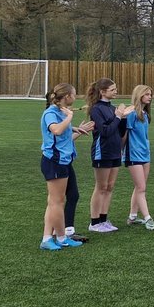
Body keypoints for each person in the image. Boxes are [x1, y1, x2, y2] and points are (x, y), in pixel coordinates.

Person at [39, 83, 94, 250]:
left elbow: (63, 138)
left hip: (64, 161)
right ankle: (61, 238)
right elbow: (56, 130)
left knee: (55, 201)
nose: (75, 97)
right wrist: (69, 117)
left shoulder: (60, 112)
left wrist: (77, 130)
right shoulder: (51, 113)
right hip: (55, 162)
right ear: (67, 96)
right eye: (74, 94)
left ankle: (48, 238)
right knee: (57, 202)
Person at [86, 78, 130, 232]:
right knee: (101, 186)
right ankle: (94, 222)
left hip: (115, 151)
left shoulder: (112, 108)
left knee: (110, 186)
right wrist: (117, 117)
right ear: (102, 92)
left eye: (115, 89)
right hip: (102, 151)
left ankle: (104, 220)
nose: (116, 91)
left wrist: (123, 118)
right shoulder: (96, 109)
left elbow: (120, 131)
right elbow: (105, 131)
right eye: (112, 90)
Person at [123, 85, 154, 230]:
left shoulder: (145, 114)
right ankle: (148, 218)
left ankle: (133, 216)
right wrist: (120, 151)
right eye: (147, 94)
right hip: (133, 154)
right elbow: (124, 135)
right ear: (139, 95)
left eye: (150, 94)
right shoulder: (131, 114)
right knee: (141, 187)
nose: (150, 97)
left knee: (140, 186)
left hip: (144, 153)